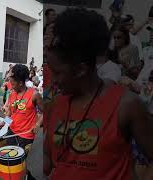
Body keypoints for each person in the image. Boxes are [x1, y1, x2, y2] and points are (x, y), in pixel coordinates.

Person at [44, 8, 153, 180]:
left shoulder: (127, 105)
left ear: (81, 69)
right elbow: (48, 165)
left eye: (57, 73)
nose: (54, 81)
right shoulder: (57, 102)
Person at [0, 64, 43, 179]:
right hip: (12, 131)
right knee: (11, 160)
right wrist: (5, 123)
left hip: (26, 135)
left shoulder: (34, 94)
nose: (11, 86)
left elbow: (44, 112)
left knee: (19, 161)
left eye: (13, 83)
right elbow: (11, 113)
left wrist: (38, 124)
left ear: (21, 83)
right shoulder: (12, 93)